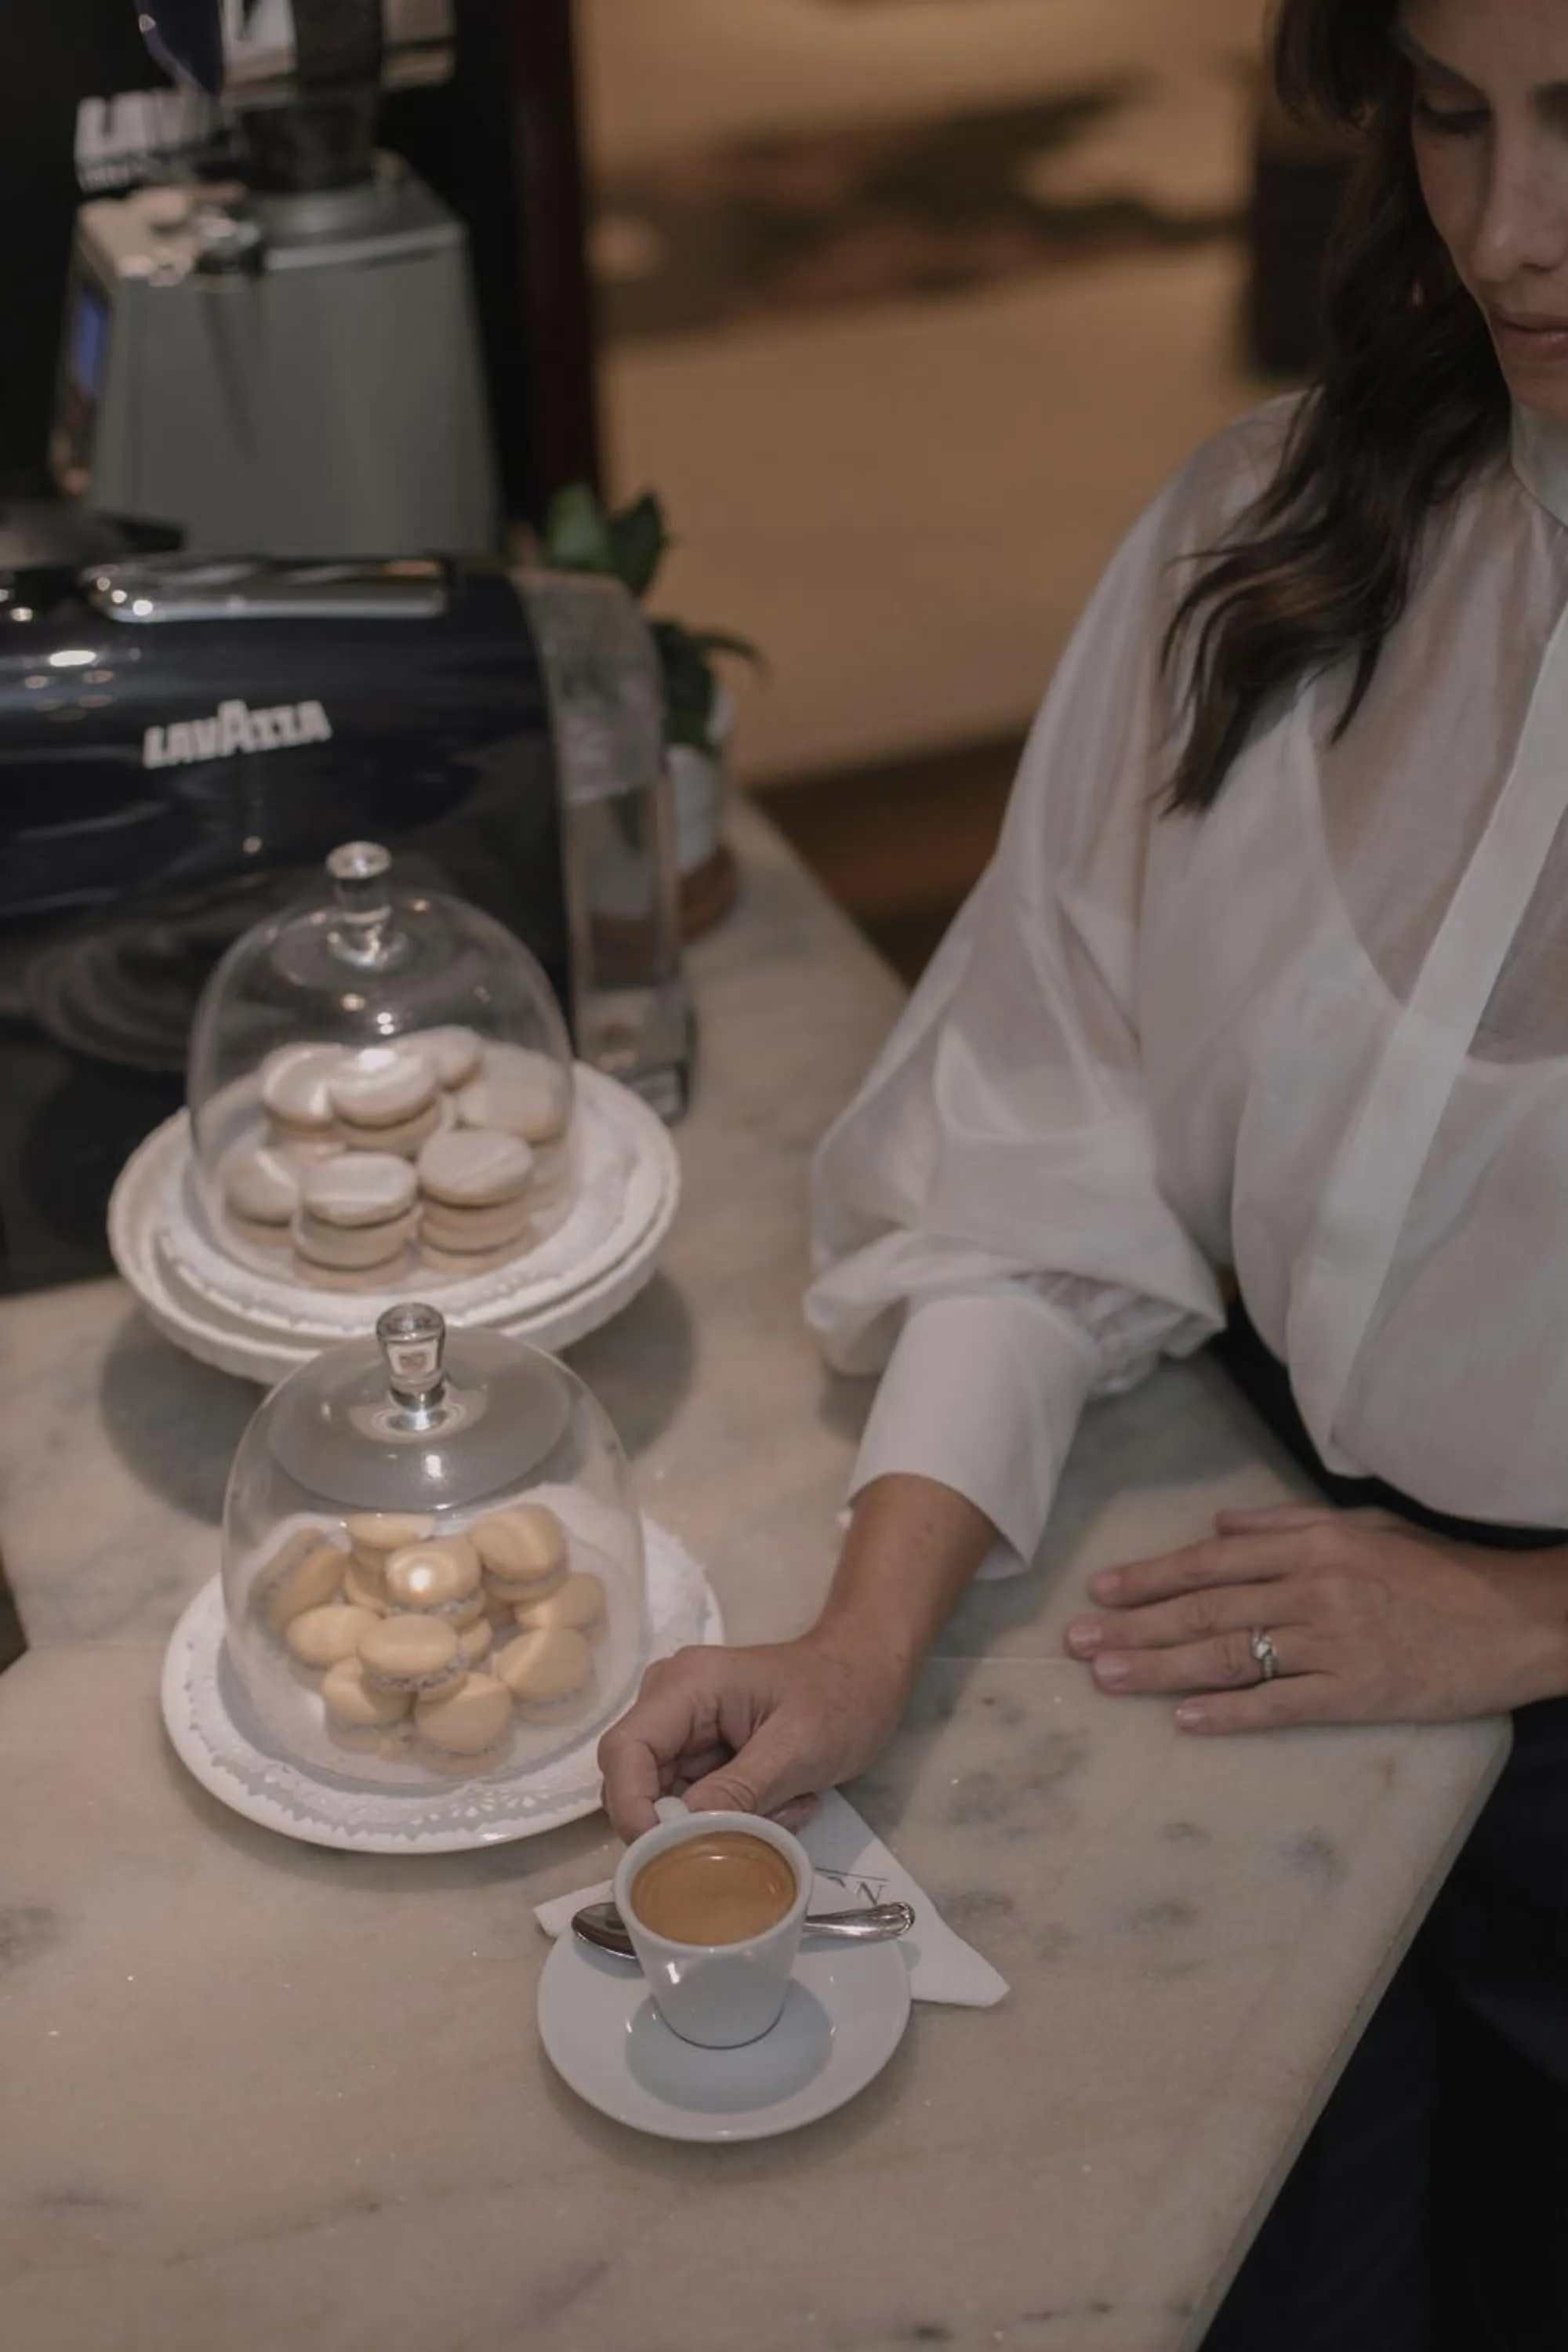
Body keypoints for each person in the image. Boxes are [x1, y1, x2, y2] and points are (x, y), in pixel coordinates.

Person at [601, 2, 1568, 2340]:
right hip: (1285, 1687)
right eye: (1455, 120)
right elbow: (1055, 1128)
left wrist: (1539, 1620)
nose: (1517, 234)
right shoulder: (1272, 538)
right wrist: (870, 1627)